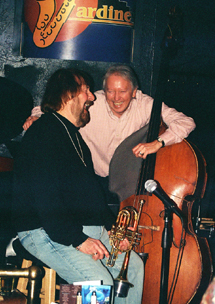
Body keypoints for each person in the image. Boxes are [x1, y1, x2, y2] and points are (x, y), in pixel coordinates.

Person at [12, 68, 144, 304]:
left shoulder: (74, 137)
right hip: (44, 231)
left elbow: (90, 193)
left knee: (133, 267)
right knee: (96, 281)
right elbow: (45, 198)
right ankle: (68, 298)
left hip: (78, 228)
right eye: (86, 91)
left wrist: (113, 228)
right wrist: (78, 239)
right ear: (69, 93)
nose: (93, 98)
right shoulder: (43, 133)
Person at [23, 64, 195, 179]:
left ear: (134, 91)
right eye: (110, 91)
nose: (116, 98)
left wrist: (157, 143)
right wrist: (37, 117)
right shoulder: (91, 101)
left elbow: (186, 122)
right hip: (90, 180)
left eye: (123, 91)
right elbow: (54, 106)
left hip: (128, 185)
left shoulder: (146, 104)